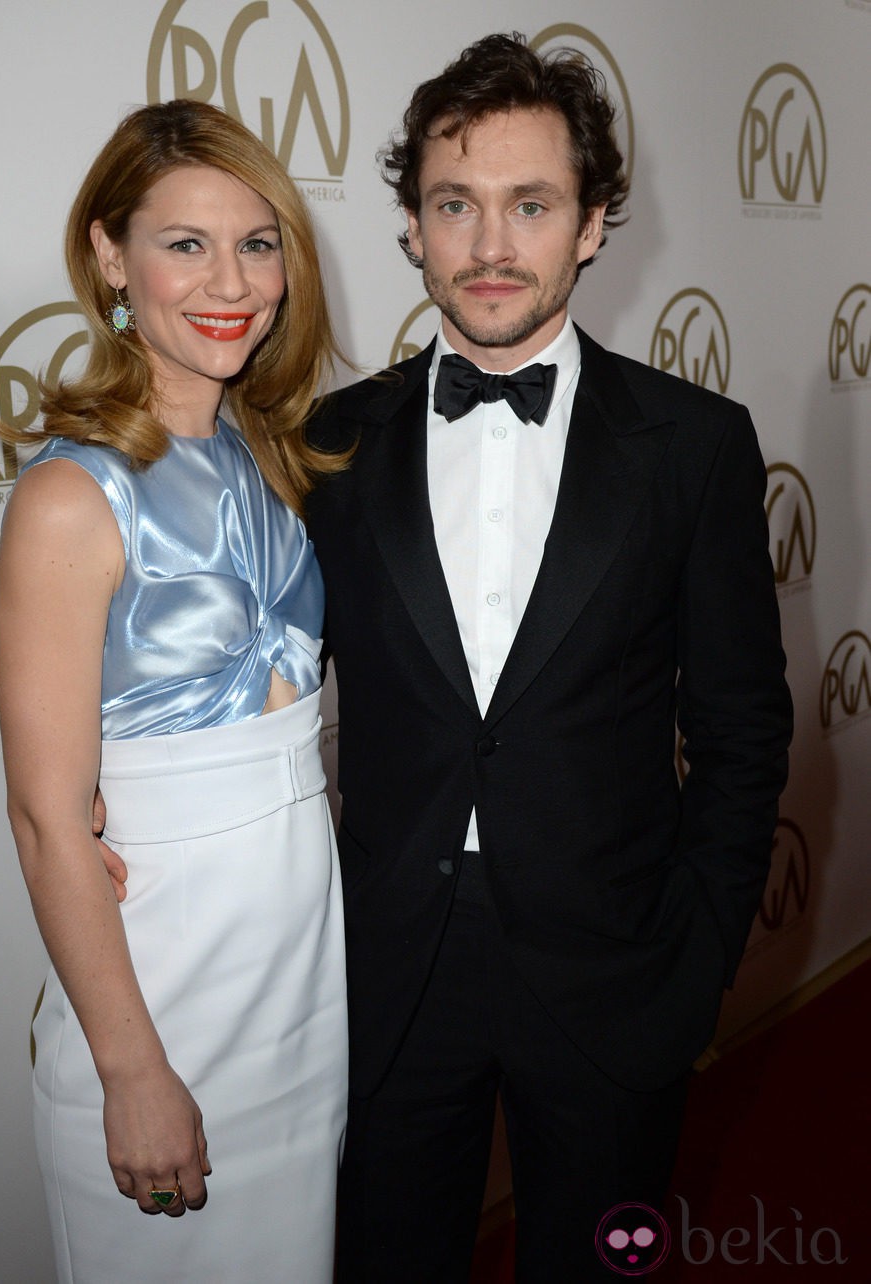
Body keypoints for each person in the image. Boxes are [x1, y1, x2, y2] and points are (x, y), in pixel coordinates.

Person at [302, 33, 793, 1282]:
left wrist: (692, 965)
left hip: (615, 969)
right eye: (453, 206)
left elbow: (743, 730)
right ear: (409, 227)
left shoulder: (693, 446)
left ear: (590, 224)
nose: (489, 245)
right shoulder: (331, 446)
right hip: (391, 967)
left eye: (530, 205)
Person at [0, 100, 347, 1283]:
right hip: (163, 992)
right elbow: (49, 819)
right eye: (183, 243)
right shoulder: (69, 499)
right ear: (108, 255)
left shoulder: (271, 457)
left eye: (256, 242)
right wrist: (132, 1070)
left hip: (299, 979)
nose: (228, 279)